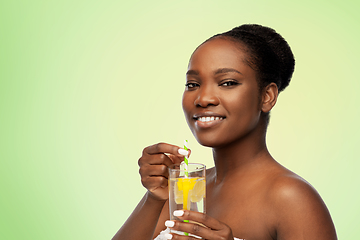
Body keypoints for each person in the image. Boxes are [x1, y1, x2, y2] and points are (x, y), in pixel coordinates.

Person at [112, 24, 337, 240]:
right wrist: (154, 198)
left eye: (227, 82)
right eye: (192, 84)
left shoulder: (291, 198)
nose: (203, 98)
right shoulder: (187, 188)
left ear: (267, 96)